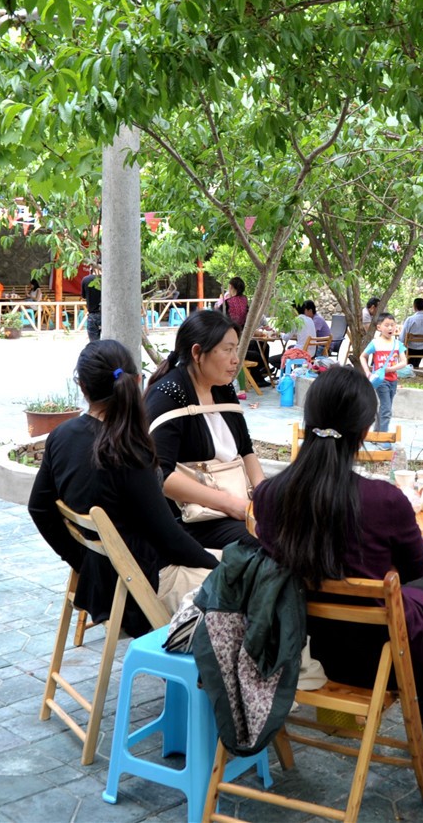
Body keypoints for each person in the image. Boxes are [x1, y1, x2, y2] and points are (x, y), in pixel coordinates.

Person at [251, 365, 423, 752]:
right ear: (366, 429)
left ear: (307, 420)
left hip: (299, 649)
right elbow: (411, 570)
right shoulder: (385, 501)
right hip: (381, 658)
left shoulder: (268, 495)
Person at [28, 340, 220, 636]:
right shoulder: (129, 452)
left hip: (100, 580)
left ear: (82, 386)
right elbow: (170, 540)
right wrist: (218, 568)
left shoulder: (61, 436)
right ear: (137, 381)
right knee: (246, 583)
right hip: (139, 587)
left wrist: (81, 560)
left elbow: (39, 508)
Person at [145, 309, 265, 550]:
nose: (235, 359)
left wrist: (264, 496)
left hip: (234, 504)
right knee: (272, 541)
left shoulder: (223, 389)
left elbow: (246, 449)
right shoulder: (169, 395)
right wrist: (230, 504)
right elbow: (161, 475)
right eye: (227, 350)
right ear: (197, 353)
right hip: (192, 518)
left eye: (236, 349)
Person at [361, 312, 407, 434]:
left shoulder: (397, 344)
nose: (390, 328)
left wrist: (391, 369)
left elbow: (404, 362)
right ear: (379, 327)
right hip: (381, 380)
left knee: (385, 407)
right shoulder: (375, 343)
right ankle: (383, 437)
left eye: (392, 325)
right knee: (386, 409)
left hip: (393, 380)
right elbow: (362, 356)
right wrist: (367, 371)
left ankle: (377, 433)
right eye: (386, 325)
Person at [400, 297, 423, 366]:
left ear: (414, 307)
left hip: (412, 350)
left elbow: (402, 338)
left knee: (402, 349)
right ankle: (414, 366)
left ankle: (410, 367)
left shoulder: (410, 320)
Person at [80, 264, 101, 343]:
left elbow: (84, 296)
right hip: (106, 315)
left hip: (92, 315)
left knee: (94, 343)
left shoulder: (86, 280)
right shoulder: (106, 279)